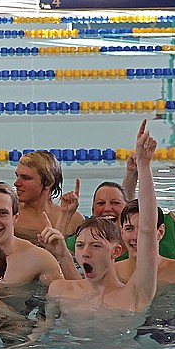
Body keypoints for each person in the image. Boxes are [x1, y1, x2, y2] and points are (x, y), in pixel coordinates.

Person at [44, 124, 159, 317]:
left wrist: (143, 165)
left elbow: (147, 228)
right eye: (80, 246)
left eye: (95, 246)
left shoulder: (135, 294)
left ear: (116, 251)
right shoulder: (60, 291)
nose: (85, 253)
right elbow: (41, 334)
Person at [0, 183, 79, 286]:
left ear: (15, 217)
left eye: (2, 213)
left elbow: (75, 304)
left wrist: (64, 256)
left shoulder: (39, 260)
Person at [13, 151, 83, 246]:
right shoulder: (11, 215)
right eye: (17, 176)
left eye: (26, 178)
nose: (16, 183)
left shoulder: (74, 220)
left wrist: (65, 216)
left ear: (49, 182)